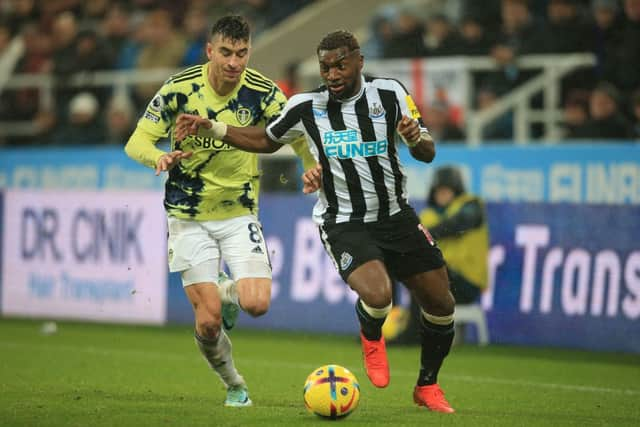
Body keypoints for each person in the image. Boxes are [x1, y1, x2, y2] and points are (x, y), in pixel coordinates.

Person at [175, 30, 457, 413]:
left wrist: (412, 138)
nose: (333, 74)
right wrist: (216, 128)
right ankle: (371, 334)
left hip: (397, 216)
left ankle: (427, 386)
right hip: (344, 220)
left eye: (340, 65)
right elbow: (266, 140)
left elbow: (426, 151)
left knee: (441, 304)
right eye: (325, 67)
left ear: (359, 61)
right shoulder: (307, 106)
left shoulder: (390, 94)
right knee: (378, 296)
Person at [124, 15, 314, 408]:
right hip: (187, 214)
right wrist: (158, 158)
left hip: (239, 211)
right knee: (208, 321)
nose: (233, 61)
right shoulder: (179, 89)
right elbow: (136, 141)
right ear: (209, 50)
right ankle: (234, 383)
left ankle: (232, 295)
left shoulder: (262, 92)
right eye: (225, 52)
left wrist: (310, 163)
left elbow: (294, 132)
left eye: (242, 53)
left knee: (257, 305)